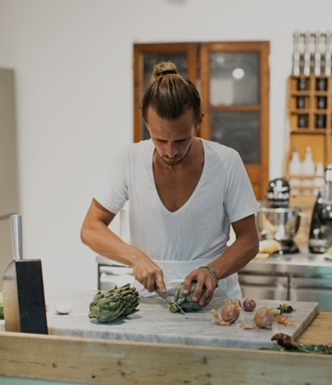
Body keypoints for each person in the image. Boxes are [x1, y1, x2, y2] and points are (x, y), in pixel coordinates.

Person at [80, 61, 259, 307]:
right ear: (146, 124)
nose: (171, 151)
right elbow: (91, 228)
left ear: (199, 122)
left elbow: (249, 240)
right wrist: (135, 257)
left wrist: (213, 271)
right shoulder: (130, 160)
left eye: (181, 140)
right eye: (160, 140)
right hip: (150, 304)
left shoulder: (227, 162)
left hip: (215, 304)